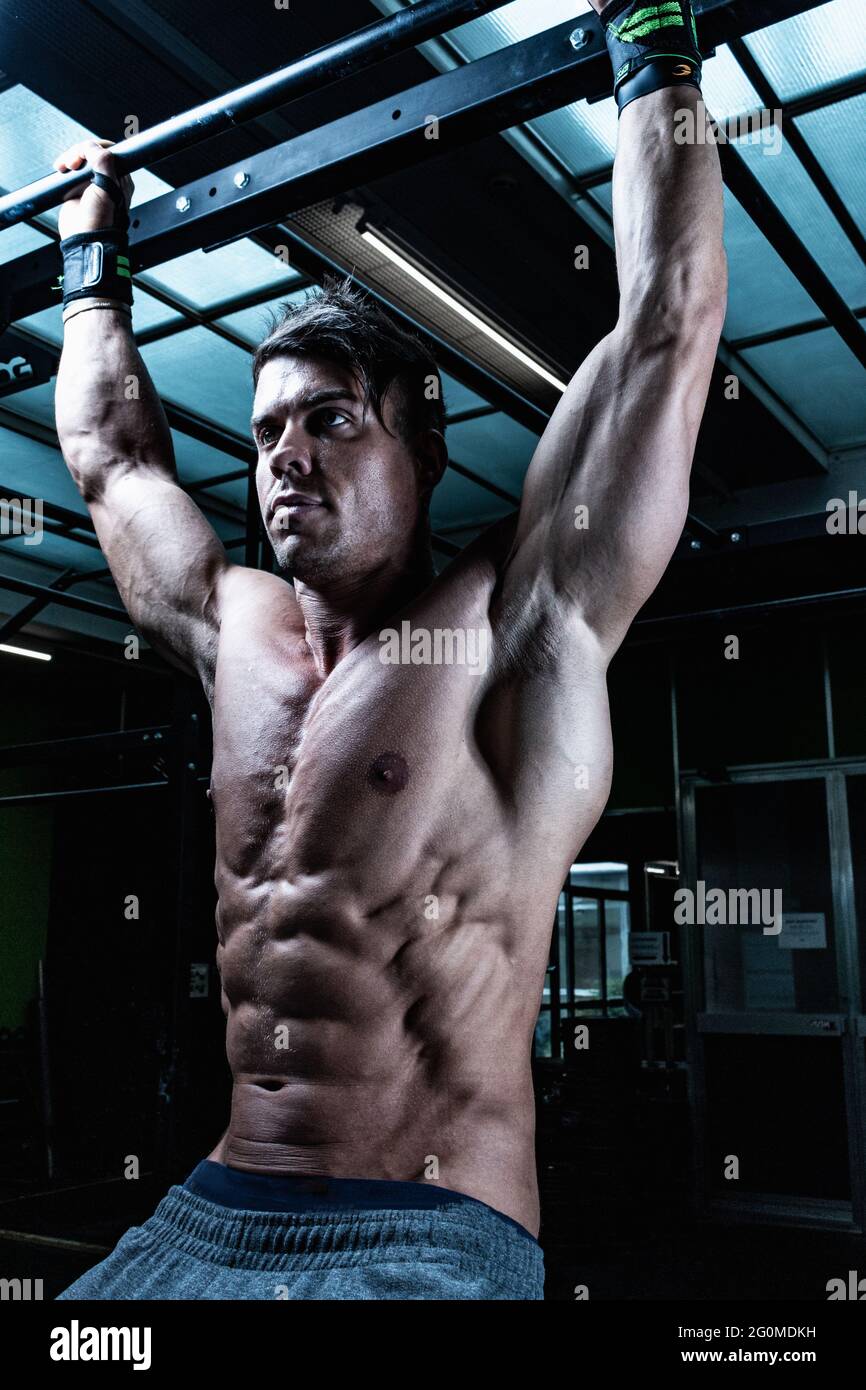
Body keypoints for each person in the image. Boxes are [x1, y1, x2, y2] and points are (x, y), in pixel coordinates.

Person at [52, 0, 726, 1299]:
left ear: (425, 450)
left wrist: (650, 43)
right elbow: (110, 455)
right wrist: (95, 258)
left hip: (422, 1236)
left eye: (330, 421)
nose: (284, 456)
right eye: (262, 435)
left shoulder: (519, 616)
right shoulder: (229, 626)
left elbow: (664, 321)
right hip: (208, 1213)